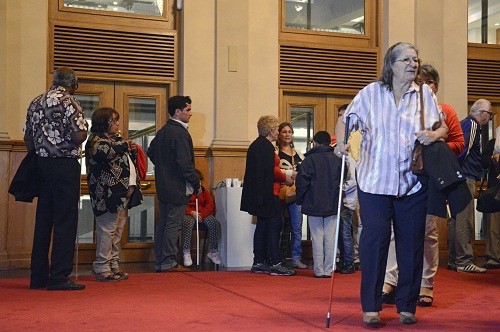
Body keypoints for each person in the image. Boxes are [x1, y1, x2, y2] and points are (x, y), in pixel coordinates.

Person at [335, 42, 449, 326]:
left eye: (416, 59)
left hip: (412, 183)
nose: (413, 64)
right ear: (391, 65)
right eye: (407, 59)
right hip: (374, 182)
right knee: (375, 244)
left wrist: (433, 137)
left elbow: (443, 127)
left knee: (411, 245)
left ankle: (407, 306)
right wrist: (341, 144)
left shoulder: (425, 95)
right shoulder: (371, 93)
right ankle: (371, 307)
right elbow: (346, 120)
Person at [383, 63, 466, 306]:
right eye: (418, 81)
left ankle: (425, 284)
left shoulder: (445, 111)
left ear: (435, 87)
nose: (421, 86)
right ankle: (391, 281)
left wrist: (431, 148)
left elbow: (459, 144)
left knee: (428, 233)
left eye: (426, 82)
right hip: (399, 176)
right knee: (393, 231)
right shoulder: (401, 107)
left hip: (430, 179)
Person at [23, 67, 88, 291]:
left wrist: (42, 153)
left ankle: (38, 276)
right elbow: (79, 135)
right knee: (65, 220)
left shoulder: (36, 101)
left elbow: (28, 137)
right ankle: (59, 276)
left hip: (42, 165)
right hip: (64, 165)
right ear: (74, 84)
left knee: (44, 220)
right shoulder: (69, 101)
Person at [85, 107, 143, 282]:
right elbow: (104, 152)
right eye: (113, 120)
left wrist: (129, 149)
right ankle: (102, 267)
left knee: (117, 231)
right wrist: (125, 145)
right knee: (107, 230)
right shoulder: (95, 140)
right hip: (107, 194)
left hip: (122, 192)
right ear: (103, 122)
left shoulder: (116, 141)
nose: (117, 124)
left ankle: (113, 264)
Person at [147, 96, 200, 272]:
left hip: (163, 184)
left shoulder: (163, 131)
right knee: (173, 224)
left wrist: (164, 167)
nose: (191, 114)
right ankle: (168, 261)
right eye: (188, 110)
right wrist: (196, 181)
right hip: (177, 186)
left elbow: (151, 151)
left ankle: (160, 261)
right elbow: (185, 164)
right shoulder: (180, 133)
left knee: (163, 223)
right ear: (178, 112)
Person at [241, 115, 296, 276]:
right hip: (269, 194)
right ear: (271, 131)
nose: (279, 132)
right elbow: (270, 171)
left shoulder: (256, 145)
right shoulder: (266, 147)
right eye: (278, 129)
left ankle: (259, 261)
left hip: (261, 195)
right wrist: (285, 178)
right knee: (273, 227)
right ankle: (275, 262)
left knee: (262, 227)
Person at [448, 98, 493, 274]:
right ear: (482, 113)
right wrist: (459, 173)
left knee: (455, 219)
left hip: (457, 177)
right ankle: (464, 260)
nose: (489, 118)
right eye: (489, 114)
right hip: (465, 177)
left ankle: (454, 259)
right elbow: (462, 150)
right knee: (464, 219)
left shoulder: (463, 124)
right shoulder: (472, 125)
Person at [295, 131, 343, 278]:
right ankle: (329, 270)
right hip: (333, 202)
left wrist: (300, 199)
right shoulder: (338, 159)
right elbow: (343, 179)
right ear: (329, 142)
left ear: (315, 142)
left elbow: (302, 182)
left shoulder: (309, 160)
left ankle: (318, 270)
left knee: (316, 236)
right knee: (330, 237)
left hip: (313, 201)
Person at [275, 122, 307, 269]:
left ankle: (296, 257)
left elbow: (305, 171)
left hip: (295, 194)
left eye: (290, 132)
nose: (287, 134)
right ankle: (277, 257)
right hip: (279, 192)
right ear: (279, 134)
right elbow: (273, 170)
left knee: (297, 227)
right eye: (284, 131)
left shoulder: (298, 153)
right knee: (277, 226)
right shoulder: (275, 152)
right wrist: (290, 173)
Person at [181, 169, 222, 266]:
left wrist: (201, 214)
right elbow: (181, 206)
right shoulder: (184, 191)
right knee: (188, 222)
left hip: (201, 214)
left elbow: (210, 204)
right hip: (189, 214)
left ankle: (213, 251)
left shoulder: (204, 191)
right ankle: (186, 252)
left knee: (213, 222)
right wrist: (191, 212)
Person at [335, 104, 357, 275]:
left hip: (347, 199)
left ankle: (349, 261)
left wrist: (341, 189)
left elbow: (351, 180)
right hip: (343, 198)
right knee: (344, 232)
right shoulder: (340, 148)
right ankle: (345, 259)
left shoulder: (350, 152)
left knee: (345, 232)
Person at [481, 134, 500, 270]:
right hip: (494, 189)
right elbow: (483, 162)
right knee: (493, 226)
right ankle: (493, 257)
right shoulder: (491, 144)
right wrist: (494, 157)